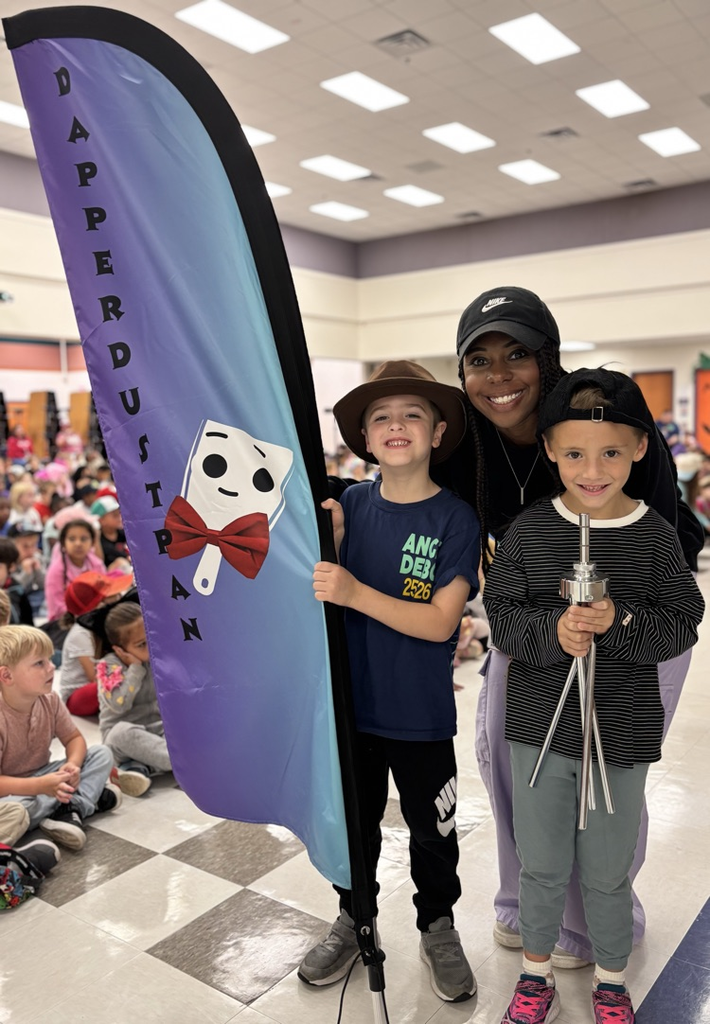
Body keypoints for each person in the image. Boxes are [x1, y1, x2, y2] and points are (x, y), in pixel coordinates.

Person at [441, 285, 705, 967]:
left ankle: (594, 923)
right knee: (512, 760)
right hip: (533, 620)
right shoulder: (467, 441)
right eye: (479, 360)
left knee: (604, 768)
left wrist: (616, 625)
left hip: (631, 617)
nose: (498, 376)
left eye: (517, 354)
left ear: (548, 358)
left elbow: (659, 546)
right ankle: (525, 905)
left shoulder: (602, 414)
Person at [483, 368, 704, 1024]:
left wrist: (622, 621)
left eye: (611, 452)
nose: (593, 470)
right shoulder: (529, 532)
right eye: (575, 453)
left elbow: (683, 622)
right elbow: (502, 616)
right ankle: (536, 974)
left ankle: (611, 979)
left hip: (621, 732)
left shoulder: (656, 537)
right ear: (549, 449)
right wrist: (553, 632)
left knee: (608, 868)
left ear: (640, 448)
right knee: (541, 864)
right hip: (539, 729)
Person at [297, 360, 480, 1003]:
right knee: (355, 826)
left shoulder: (456, 519)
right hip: (351, 709)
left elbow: (439, 623)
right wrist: (328, 545)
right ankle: (355, 918)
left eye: (411, 414)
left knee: (433, 832)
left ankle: (438, 925)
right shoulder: (347, 506)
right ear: (365, 438)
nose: (395, 425)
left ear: (438, 432)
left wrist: (354, 591)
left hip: (420, 714)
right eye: (381, 417)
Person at [0, 625, 121, 850]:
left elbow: (74, 738)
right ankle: (80, 800)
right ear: (7, 676)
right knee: (16, 811)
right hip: (11, 793)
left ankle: (71, 806)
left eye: (49, 660)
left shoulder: (50, 700)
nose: (52, 666)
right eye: (40, 663)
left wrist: (72, 765)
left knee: (101, 754)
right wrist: (39, 786)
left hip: (44, 776)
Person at [97, 602, 171, 797]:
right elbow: (119, 705)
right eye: (141, 644)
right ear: (120, 650)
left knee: (181, 724)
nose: (149, 647)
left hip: (155, 730)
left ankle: (137, 769)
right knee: (122, 733)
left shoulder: (154, 658)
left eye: (150, 638)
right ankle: (183, 762)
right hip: (122, 738)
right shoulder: (108, 666)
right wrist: (135, 669)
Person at [59, 570, 134, 716]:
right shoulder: (80, 633)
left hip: (101, 691)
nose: (119, 597)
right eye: (113, 595)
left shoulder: (105, 625)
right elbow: (94, 676)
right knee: (106, 684)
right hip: (78, 697)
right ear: (98, 606)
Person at [44, 518, 106, 621]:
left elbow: (104, 593)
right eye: (72, 539)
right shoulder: (56, 571)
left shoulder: (97, 565)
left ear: (92, 542)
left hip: (94, 617)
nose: (78, 544)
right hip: (65, 621)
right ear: (63, 543)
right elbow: (56, 608)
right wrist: (84, 614)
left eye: (84, 539)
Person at [6, 523, 45, 618]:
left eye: (34, 545)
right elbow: (15, 590)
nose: (31, 550)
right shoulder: (9, 563)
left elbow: (45, 585)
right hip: (18, 604)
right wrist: (26, 573)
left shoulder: (38, 558)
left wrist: (38, 570)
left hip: (39, 603)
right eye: (25, 546)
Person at [90, 494, 130, 568]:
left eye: (119, 513)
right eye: (115, 515)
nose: (119, 518)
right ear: (101, 520)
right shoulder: (97, 541)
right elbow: (99, 563)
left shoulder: (124, 533)